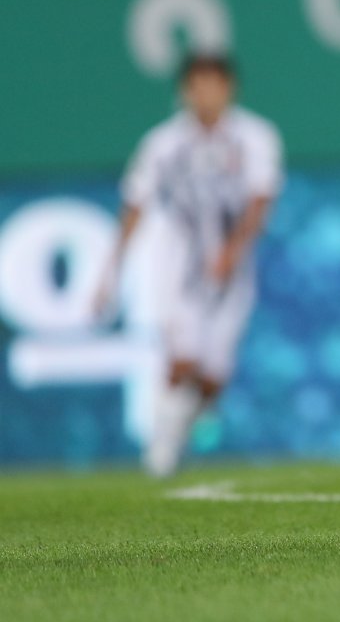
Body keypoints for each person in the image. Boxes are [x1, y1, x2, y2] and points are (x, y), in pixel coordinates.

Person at [97, 54, 283, 478]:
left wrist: (233, 250)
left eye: (214, 84)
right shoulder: (162, 143)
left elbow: (261, 198)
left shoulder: (255, 137)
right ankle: (161, 448)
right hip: (178, 265)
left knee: (214, 375)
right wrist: (110, 272)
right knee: (181, 359)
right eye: (197, 86)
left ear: (230, 88)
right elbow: (136, 203)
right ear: (184, 92)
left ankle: (184, 424)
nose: (206, 95)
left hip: (232, 271)